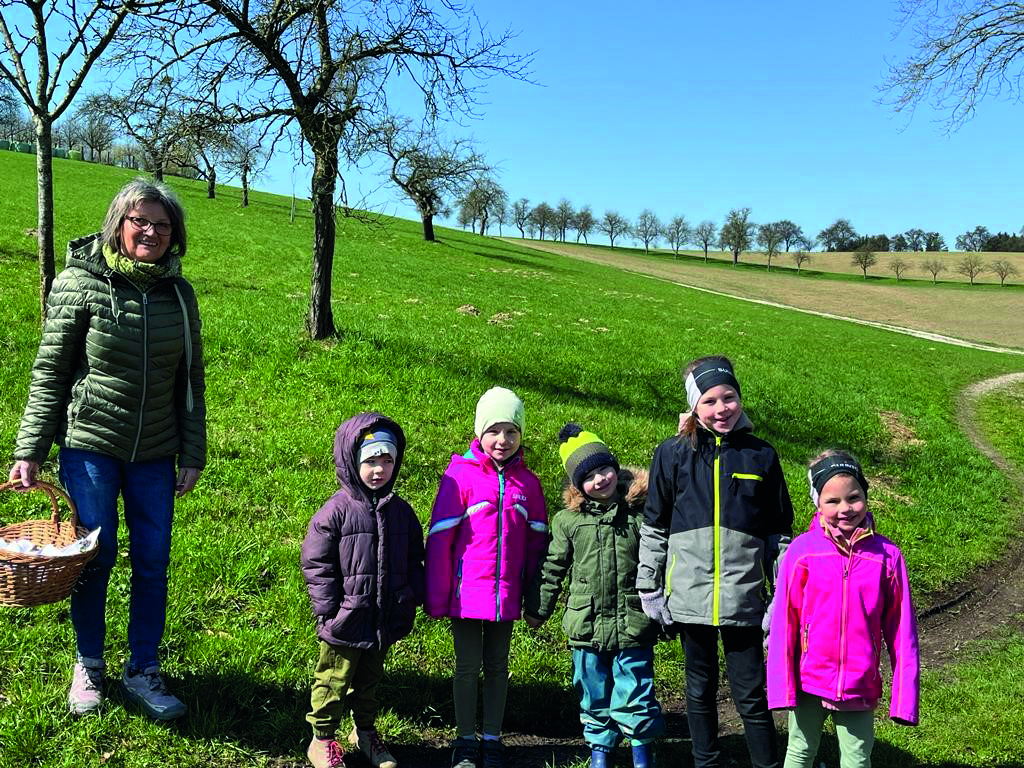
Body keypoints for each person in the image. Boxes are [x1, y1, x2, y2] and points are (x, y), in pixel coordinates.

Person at [9, 178, 205, 720]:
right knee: (95, 557)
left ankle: (143, 668)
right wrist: (30, 449)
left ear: (174, 234)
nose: (151, 232)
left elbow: (190, 379)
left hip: (156, 452)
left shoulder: (179, 293)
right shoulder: (79, 282)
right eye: (140, 221)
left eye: (162, 225)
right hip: (90, 446)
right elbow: (50, 371)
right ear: (118, 224)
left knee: (153, 562)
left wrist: (192, 452)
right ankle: (89, 664)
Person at [637, 355, 793, 768]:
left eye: (729, 398)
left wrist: (780, 596)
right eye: (709, 401)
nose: (722, 408)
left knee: (750, 692)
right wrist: (649, 587)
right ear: (694, 406)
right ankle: (706, 762)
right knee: (699, 689)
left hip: (744, 599)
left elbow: (779, 536)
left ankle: (766, 764)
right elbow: (654, 526)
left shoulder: (762, 456)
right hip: (689, 597)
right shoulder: (672, 454)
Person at [767, 450, 919, 768]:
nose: (845, 509)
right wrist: (782, 687)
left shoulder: (887, 556)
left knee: (857, 760)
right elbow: (784, 623)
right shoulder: (802, 551)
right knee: (799, 752)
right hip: (808, 679)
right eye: (832, 501)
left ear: (865, 495)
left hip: (859, 683)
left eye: (853, 497)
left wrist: (905, 699)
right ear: (818, 503)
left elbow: (902, 631)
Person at [524, 424, 664, 768]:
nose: (600, 479)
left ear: (615, 468)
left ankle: (641, 756)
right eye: (589, 476)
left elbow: (661, 559)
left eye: (604, 469)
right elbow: (553, 566)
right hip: (585, 624)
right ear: (577, 485)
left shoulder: (641, 514)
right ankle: (600, 755)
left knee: (636, 691)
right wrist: (539, 608)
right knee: (592, 692)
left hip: (633, 622)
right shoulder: (568, 522)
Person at [424, 387, 549, 768]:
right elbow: (440, 541)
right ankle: (465, 740)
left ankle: (492, 738)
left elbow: (538, 547)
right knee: (466, 668)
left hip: (506, 596)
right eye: (494, 430)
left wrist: (534, 598)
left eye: (511, 431)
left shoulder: (529, 484)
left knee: (497, 667)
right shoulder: (458, 477)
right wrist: (437, 596)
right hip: (464, 596)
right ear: (480, 432)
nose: (502, 440)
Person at [301, 413, 425, 768]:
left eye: (387, 461)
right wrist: (330, 610)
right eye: (371, 461)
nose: (379, 470)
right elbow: (316, 563)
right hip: (344, 619)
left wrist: (412, 596)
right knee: (333, 680)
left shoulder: (401, 512)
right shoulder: (335, 512)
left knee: (369, 681)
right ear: (352, 462)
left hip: (383, 617)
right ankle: (322, 739)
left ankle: (365, 732)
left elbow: (414, 559)